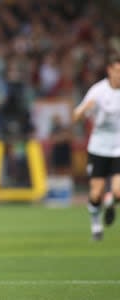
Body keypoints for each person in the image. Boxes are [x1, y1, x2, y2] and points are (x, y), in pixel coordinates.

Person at [72, 52, 120, 241]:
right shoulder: (97, 91)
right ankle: (96, 225)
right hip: (98, 147)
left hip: (118, 148)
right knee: (96, 192)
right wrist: (85, 109)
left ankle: (110, 201)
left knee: (118, 191)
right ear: (109, 70)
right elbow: (75, 117)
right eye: (117, 71)